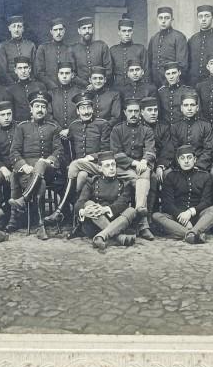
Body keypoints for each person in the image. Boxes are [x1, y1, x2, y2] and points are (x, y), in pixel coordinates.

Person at [45, 91, 111, 225]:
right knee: (79, 175)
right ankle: (76, 215)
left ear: (93, 109)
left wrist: (92, 157)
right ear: (77, 111)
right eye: (82, 108)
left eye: (88, 108)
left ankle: (61, 210)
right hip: (77, 169)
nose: (86, 112)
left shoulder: (102, 124)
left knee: (80, 174)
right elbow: (68, 149)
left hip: (98, 165)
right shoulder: (74, 126)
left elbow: (107, 150)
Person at [8, 92, 63, 228]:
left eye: (43, 107)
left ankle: (24, 198)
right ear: (31, 109)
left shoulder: (53, 127)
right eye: (37, 106)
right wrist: (24, 166)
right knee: (40, 182)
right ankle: (40, 223)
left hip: (48, 169)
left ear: (46, 109)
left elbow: (59, 150)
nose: (40, 109)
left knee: (41, 163)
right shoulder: (22, 127)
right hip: (28, 171)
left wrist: (49, 160)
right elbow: (14, 151)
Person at [108, 97, 157, 240]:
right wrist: (135, 163)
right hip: (123, 168)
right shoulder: (117, 130)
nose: (133, 114)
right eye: (130, 111)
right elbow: (116, 154)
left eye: (136, 111)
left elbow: (150, 150)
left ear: (140, 112)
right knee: (142, 179)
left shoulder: (147, 130)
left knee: (148, 174)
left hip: (142, 167)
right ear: (124, 112)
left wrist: (144, 160)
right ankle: (143, 223)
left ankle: (140, 211)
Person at [152, 144, 213, 244]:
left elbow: (207, 201)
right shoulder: (171, 176)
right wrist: (181, 217)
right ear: (178, 161)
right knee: (156, 216)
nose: (186, 161)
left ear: (195, 159)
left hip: (199, 217)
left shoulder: (205, 176)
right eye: (182, 158)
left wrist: (190, 212)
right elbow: (167, 204)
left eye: (189, 157)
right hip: (177, 217)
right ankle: (194, 233)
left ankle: (190, 233)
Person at [75, 151, 138, 252]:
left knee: (131, 210)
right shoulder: (91, 182)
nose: (112, 168)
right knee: (88, 204)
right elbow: (80, 202)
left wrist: (105, 209)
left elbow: (122, 203)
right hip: (95, 224)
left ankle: (101, 237)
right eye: (107, 165)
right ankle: (118, 237)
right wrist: (83, 211)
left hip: (116, 221)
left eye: (113, 164)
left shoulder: (124, 183)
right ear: (100, 168)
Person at [167, 90, 213, 171]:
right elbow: (174, 149)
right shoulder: (175, 126)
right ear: (181, 108)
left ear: (197, 108)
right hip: (180, 166)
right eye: (186, 105)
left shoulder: (205, 125)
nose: (189, 108)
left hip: (200, 167)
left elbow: (208, 150)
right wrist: (182, 165)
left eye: (192, 105)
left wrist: (198, 165)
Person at [147, 5, 188, 88]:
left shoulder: (179, 37)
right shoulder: (154, 38)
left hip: (172, 83)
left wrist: (171, 82)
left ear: (172, 19)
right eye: (160, 18)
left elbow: (182, 64)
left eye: (167, 18)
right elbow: (149, 63)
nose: (163, 21)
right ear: (157, 19)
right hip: (155, 84)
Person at [70, 16, 112, 87]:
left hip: (101, 87)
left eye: (89, 28)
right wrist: (86, 84)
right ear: (79, 31)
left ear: (93, 29)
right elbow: (72, 73)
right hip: (81, 88)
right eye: (84, 28)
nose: (87, 31)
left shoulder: (102, 46)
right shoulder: (73, 49)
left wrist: (96, 84)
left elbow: (108, 70)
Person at [0, 14, 37, 82]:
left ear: (23, 29)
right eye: (13, 26)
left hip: (29, 83)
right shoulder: (3, 46)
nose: (16, 29)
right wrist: (13, 84)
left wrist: (31, 82)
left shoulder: (30, 45)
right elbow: (2, 70)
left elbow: (35, 68)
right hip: (10, 84)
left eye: (19, 26)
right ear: (9, 28)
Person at [108, 18, 147, 88]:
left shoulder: (140, 49)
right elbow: (110, 73)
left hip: (136, 88)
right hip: (117, 88)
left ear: (132, 32)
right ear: (119, 32)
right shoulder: (113, 50)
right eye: (124, 31)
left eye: (129, 31)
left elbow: (146, 71)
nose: (127, 34)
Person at [34, 17, 72, 89]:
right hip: (48, 89)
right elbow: (39, 72)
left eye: (60, 29)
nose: (58, 33)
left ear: (64, 30)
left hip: (67, 89)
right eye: (55, 30)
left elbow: (73, 71)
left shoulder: (70, 49)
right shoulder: (43, 48)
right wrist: (52, 85)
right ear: (51, 31)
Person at [7, 57, 45, 121]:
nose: (23, 71)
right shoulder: (11, 90)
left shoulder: (39, 86)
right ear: (15, 70)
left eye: (25, 67)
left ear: (29, 69)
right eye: (20, 68)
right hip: (20, 125)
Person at [48, 61, 81, 131]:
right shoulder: (52, 93)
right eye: (61, 73)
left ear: (72, 75)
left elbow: (81, 114)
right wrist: (59, 129)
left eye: (67, 73)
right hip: (56, 132)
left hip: (76, 131)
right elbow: (48, 115)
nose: (64, 76)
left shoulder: (79, 92)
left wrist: (71, 129)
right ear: (58, 75)